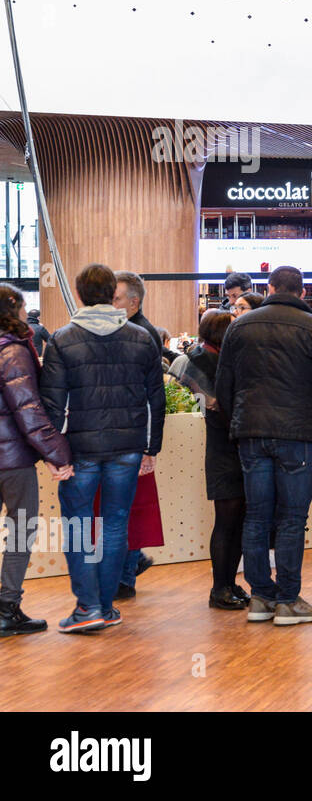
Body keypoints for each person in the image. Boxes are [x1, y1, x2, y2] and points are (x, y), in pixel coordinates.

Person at [215, 264, 312, 627]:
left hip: (251, 434)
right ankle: (288, 600)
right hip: (299, 435)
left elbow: (223, 385)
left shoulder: (239, 326)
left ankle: (260, 597)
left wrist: (238, 422)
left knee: (256, 516)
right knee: (291, 519)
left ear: (269, 288)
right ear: (303, 292)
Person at [40, 264, 165, 633]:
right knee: (114, 526)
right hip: (127, 449)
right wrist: (150, 448)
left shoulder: (62, 339)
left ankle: (88, 607)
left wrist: (54, 454)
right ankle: (105, 607)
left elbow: (52, 405)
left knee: (79, 526)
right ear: (112, 293)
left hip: (79, 450)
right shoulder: (142, 338)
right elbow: (154, 401)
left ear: (79, 294)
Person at [0, 284, 72, 636]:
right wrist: (56, 454)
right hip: (11, 461)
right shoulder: (13, 351)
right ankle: (7, 607)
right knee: (20, 529)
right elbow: (28, 410)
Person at [168, 309, 249, 609]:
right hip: (224, 449)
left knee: (237, 522)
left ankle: (230, 583)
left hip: (230, 448)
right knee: (227, 523)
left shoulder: (208, 360)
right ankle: (220, 588)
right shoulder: (204, 364)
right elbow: (219, 409)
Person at [110, 270, 164, 599]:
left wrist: (149, 446)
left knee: (130, 510)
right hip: (130, 436)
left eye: (115, 298)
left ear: (134, 302)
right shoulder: (131, 330)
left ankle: (125, 576)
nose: (109, 303)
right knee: (127, 509)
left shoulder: (141, 334)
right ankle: (130, 567)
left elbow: (150, 396)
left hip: (133, 437)